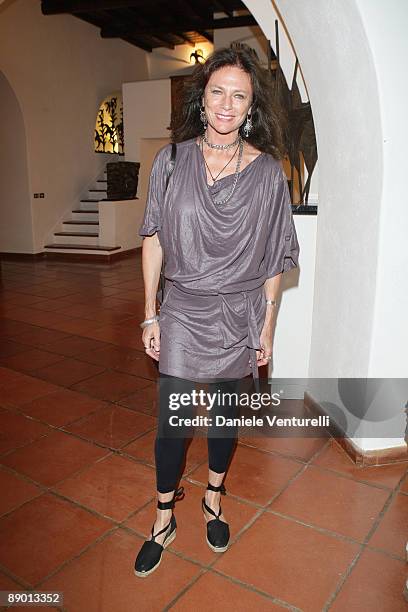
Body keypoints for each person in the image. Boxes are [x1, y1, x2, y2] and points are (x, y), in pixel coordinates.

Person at [134, 44, 300, 577]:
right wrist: (148, 313)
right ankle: (163, 516)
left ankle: (213, 498)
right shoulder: (172, 159)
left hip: (239, 315)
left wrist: (268, 325)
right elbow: (155, 240)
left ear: (251, 106)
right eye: (217, 93)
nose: (227, 105)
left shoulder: (269, 172)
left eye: (239, 96)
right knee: (173, 421)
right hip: (182, 307)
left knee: (225, 419)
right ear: (201, 100)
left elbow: (275, 255)